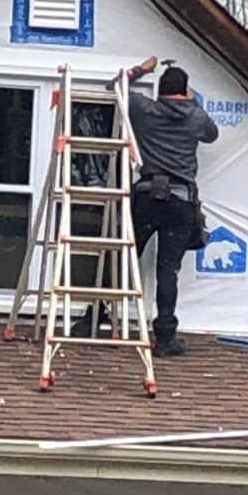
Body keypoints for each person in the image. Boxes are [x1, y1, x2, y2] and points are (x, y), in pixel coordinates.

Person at [71, 57, 219, 357]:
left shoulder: (144, 108)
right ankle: (164, 338)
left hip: (147, 196)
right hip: (180, 201)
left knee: (123, 259)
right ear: (184, 91)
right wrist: (192, 101)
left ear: (161, 91)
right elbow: (212, 134)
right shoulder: (195, 116)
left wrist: (142, 70)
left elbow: (115, 86)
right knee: (168, 269)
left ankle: (93, 319)